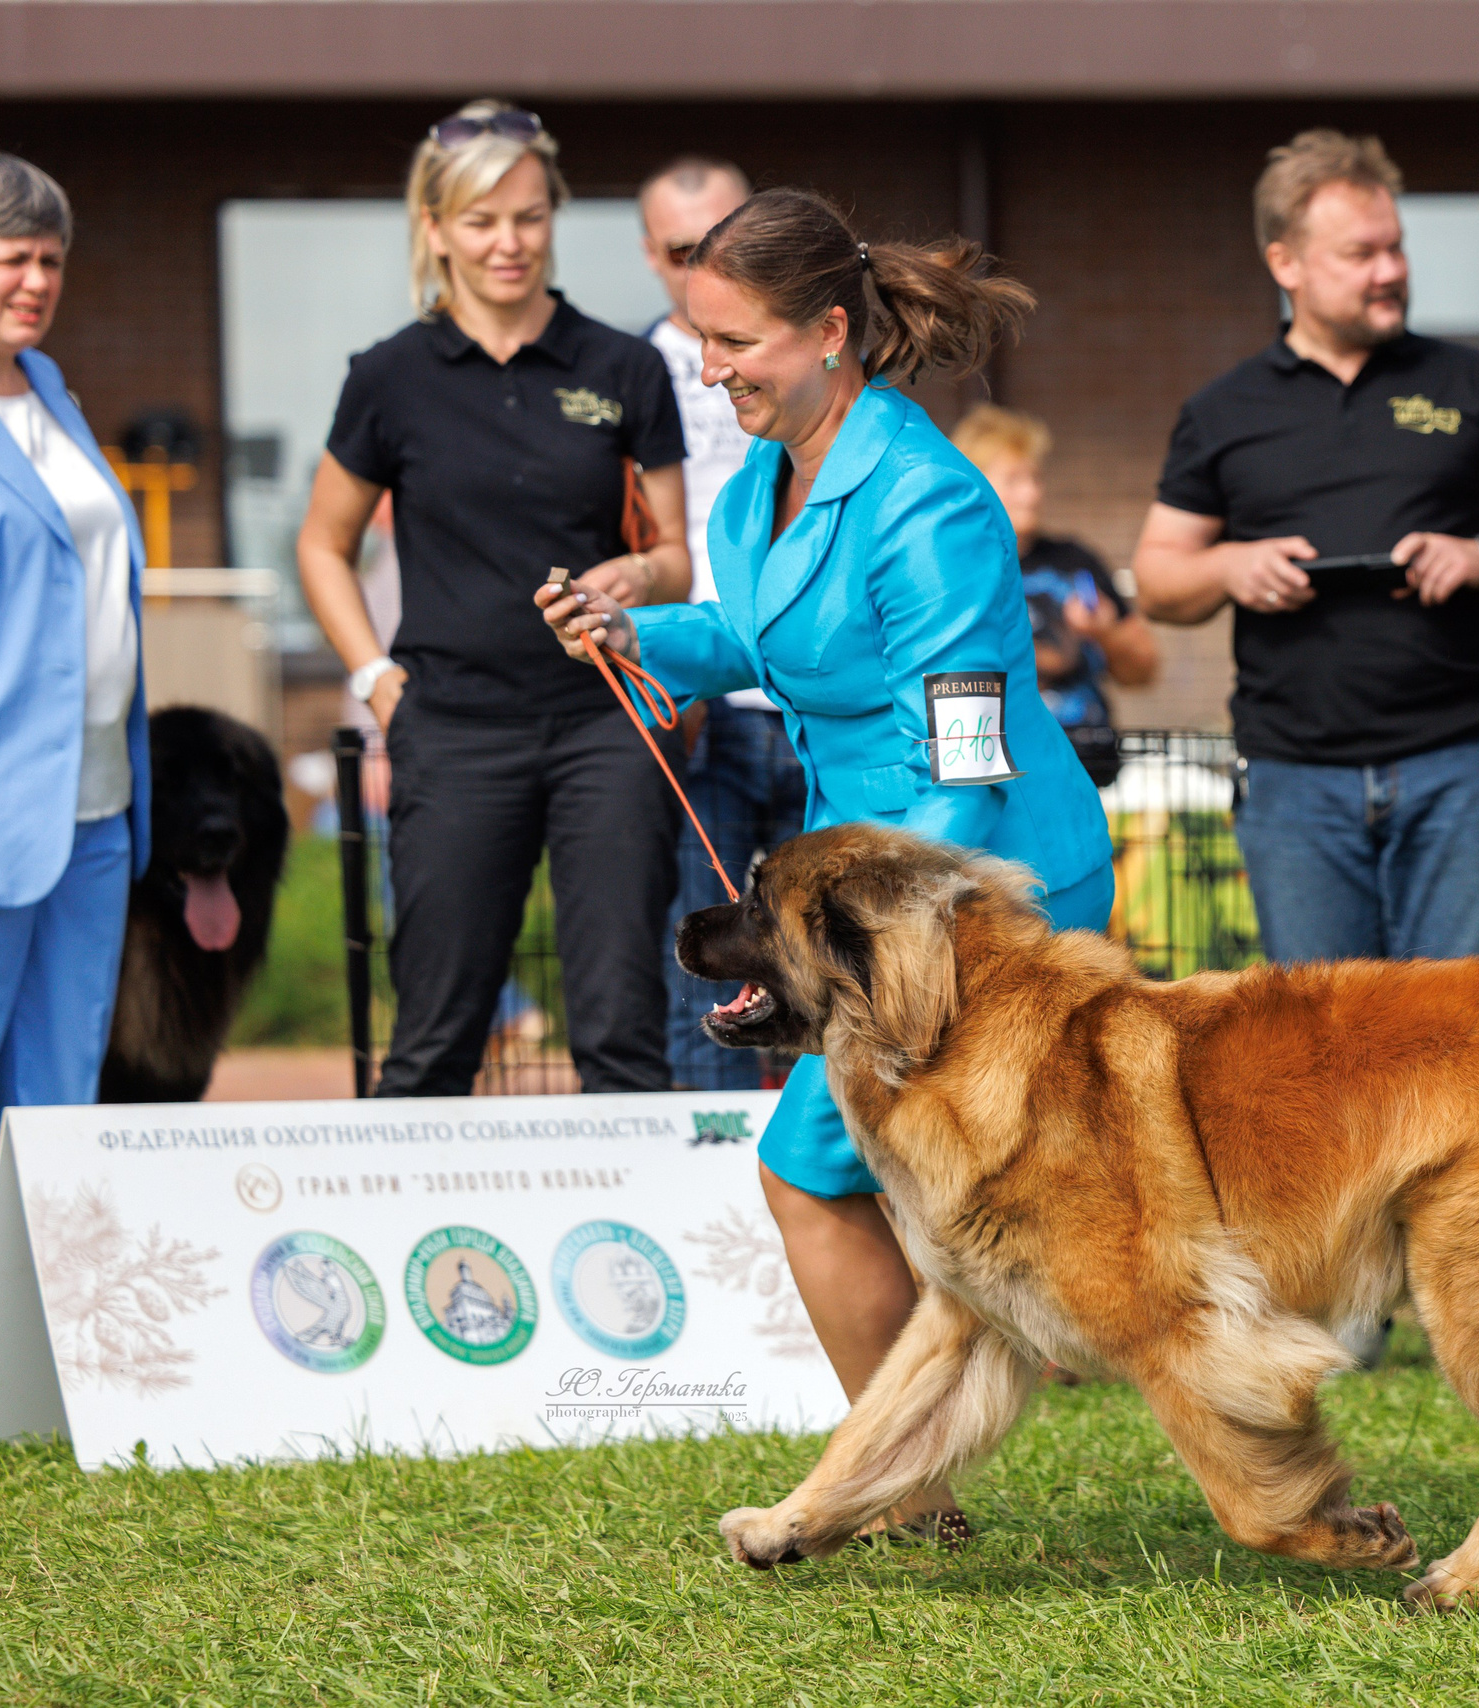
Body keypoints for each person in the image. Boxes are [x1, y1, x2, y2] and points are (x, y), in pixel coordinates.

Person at [538, 187, 1113, 1540]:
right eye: (699, 339)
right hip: (869, 892)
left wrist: (878, 936)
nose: (711, 367)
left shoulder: (930, 502)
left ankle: (906, 1481)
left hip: (980, 888)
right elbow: (760, 645)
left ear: (831, 331)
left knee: (837, 1173)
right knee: (859, 1177)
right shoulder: (759, 483)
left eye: (735, 341)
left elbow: (967, 762)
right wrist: (636, 633)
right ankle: (913, 1484)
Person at [295, 101, 692, 1097]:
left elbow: (677, 555)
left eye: (527, 217)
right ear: (434, 229)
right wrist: (379, 681)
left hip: (608, 725)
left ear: (554, 215)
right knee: (435, 1039)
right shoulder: (387, 378)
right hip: (454, 728)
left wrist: (639, 575)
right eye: (480, 222)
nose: (507, 243)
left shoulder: (624, 367)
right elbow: (322, 545)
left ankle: (627, 1251)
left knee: (622, 1037)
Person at [1132, 130, 1479, 963]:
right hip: (1295, 780)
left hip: (1460, 764)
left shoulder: (1477, 385)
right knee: (1327, 1059)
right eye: (1361, 253)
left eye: (1396, 248)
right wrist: (1229, 566)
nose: (1390, 270)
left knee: (1467, 1045)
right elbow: (1159, 579)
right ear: (1286, 264)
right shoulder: (1224, 411)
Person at [0, 152, 147, 1317]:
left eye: (52, 260)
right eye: (10, 257)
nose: (36, 280)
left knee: (60, 1111)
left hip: (95, 810)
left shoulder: (52, 387)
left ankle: (40, 1370)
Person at [637, 154, 810, 1091]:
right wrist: (639, 636)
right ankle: (714, 1186)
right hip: (705, 708)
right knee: (711, 957)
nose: (715, 369)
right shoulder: (628, 372)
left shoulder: (811, 389)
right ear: (646, 254)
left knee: (835, 975)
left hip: (819, 704)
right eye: (681, 249)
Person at [951, 404, 1158, 786]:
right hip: (998, 774)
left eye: (1036, 478)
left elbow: (1144, 669)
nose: (1031, 494)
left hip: (1084, 767)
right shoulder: (953, 567)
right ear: (973, 483)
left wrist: (1104, 633)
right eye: (1013, 480)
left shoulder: (1075, 561)